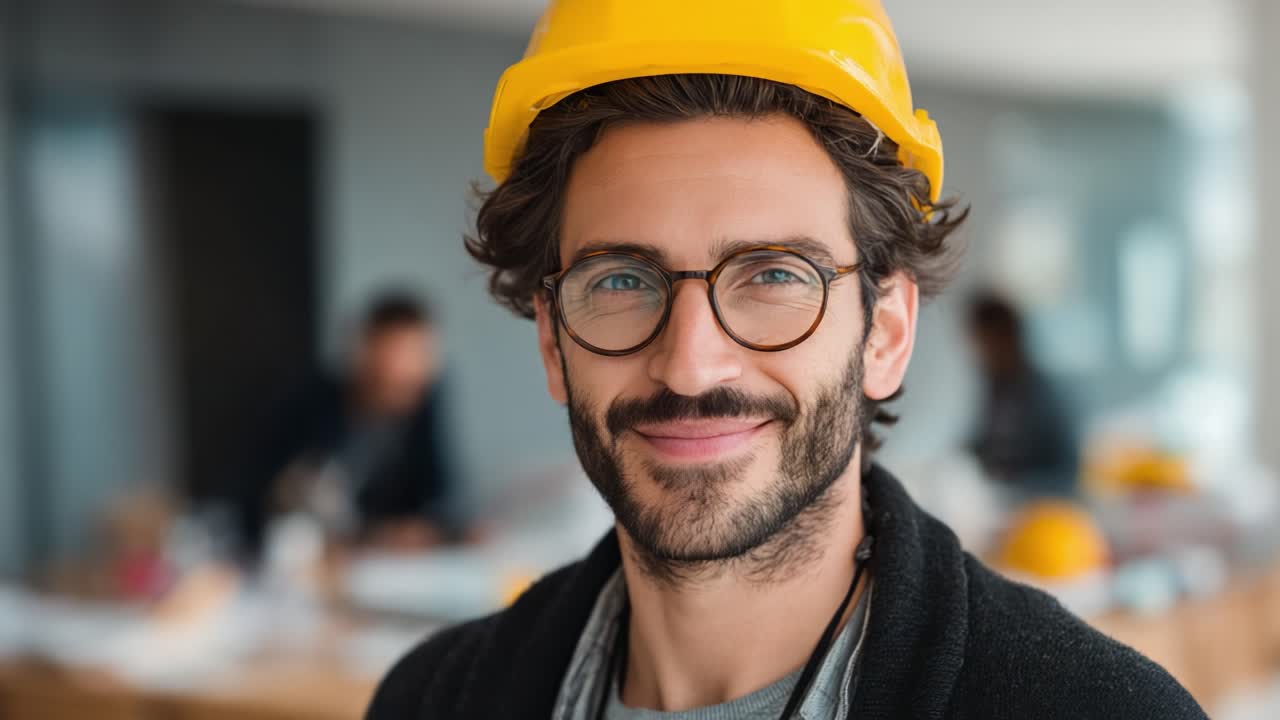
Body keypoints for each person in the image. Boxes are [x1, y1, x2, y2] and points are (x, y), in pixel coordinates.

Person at [369, 1, 1205, 718]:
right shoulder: (431, 701)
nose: (691, 366)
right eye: (622, 279)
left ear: (884, 335)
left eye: (774, 275)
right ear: (553, 339)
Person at [237, 291, 458, 560]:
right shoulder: (309, 405)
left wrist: (434, 528)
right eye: (398, 354)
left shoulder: (424, 405)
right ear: (365, 351)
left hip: (389, 567)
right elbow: (261, 500)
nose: (409, 369)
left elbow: (442, 496)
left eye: (420, 354)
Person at [966, 290, 1079, 497]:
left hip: (1039, 511)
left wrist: (1009, 489)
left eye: (983, 341)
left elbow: (1067, 474)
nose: (977, 352)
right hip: (997, 505)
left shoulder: (1043, 393)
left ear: (1005, 337)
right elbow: (986, 449)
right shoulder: (995, 388)